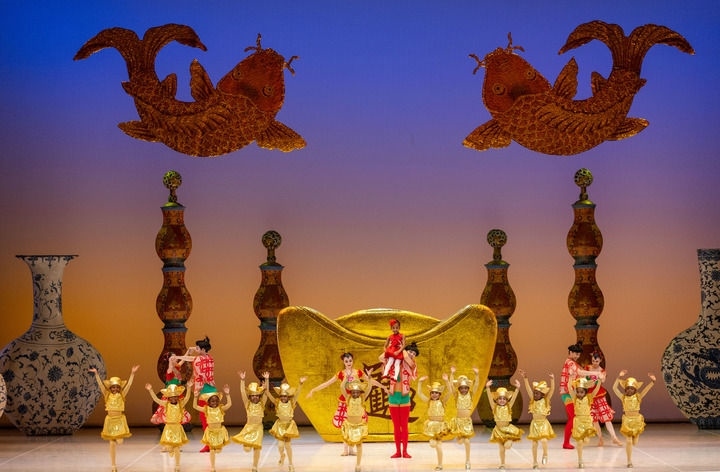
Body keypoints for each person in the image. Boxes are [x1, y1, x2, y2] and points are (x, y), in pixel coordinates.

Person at [306, 352, 366, 456]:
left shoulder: (358, 372)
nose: (349, 363)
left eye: (350, 361)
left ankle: (351, 449)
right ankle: (345, 449)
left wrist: (383, 387)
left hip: (355, 401)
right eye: (346, 361)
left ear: (353, 361)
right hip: (345, 401)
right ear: (343, 362)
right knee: (344, 424)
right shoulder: (341, 374)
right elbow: (327, 383)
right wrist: (313, 390)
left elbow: (370, 381)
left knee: (354, 424)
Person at [89, 365, 139, 472]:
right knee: (112, 443)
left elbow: (129, 385)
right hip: (110, 420)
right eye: (113, 387)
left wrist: (132, 374)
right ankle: (113, 465)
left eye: (117, 387)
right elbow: (100, 385)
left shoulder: (122, 395)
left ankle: (118, 438)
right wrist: (96, 374)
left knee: (119, 441)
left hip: (119, 419)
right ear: (110, 388)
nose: (115, 389)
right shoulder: (107, 395)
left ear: (119, 388)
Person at [145, 380, 193, 472]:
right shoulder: (166, 404)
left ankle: (177, 465)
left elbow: (187, 398)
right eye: (171, 396)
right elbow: (156, 399)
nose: (173, 398)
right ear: (168, 397)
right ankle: (171, 450)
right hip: (168, 428)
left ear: (178, 396)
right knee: (170, 447)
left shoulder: (181, 404)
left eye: (175, 396)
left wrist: (189, 387)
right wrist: (150, 390)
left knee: (177, 447)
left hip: (177, 428)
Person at [383, 341, 419, 459]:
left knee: (404, 425)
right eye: (410, 352)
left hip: (404, 397)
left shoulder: (412, 364)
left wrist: (402, 349)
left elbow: (407, 359)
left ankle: (405, 451)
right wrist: (392, 349)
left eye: (414, 353)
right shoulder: (394, 362)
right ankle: (398, 451)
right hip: (393, 396)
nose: (412, 354)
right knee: (396, 426)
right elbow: (381, 357)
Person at [613, 370, 656, 468]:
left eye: (632, 389)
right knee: (628, 441)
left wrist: (652, 382)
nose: (629, 390)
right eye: (628, 388)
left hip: (636, 420)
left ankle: (636, 436)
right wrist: (619, 377)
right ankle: (629, 461)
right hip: (627, 421)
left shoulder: (638, 397)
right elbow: (614, 388)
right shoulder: (623, 397)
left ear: (635, 389)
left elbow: (646, 390)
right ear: (625, 389)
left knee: (634, 443)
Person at [267, 377, 307, 472]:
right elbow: (268, 394)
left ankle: (290, 463)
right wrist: (267, 380)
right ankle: (282, 455)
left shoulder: (291, 402)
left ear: (288, 396)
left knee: (288, 446)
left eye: (285, 396)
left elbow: (297, 394)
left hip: (289, 425)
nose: (283, 398)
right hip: (280, 425)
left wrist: (300, 384)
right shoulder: (277, 402)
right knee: (280, 446)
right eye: (282, 396)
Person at [232, 371, 269, 472]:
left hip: (258, 428)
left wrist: (266, 380)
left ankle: (255, 466)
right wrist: (242, 380)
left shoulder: (262, 403)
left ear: (259, 396)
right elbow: (242, 392)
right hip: (248, 427)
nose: (255, 397)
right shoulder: (247, 404)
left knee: (257, 447)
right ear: (249, 397)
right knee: (247, 449)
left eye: (257, 395)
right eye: (252, 395)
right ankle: (247, 444)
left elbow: (266, 393)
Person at [519, 369, 555, 469]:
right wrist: (525, 378)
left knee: (544, 440)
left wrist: (552, 380)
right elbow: (528, 389)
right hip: (534, 424)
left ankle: (545, 454)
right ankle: (535, 462)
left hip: (543, 423)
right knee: (534, 444)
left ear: (542, 394)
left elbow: (552, 390)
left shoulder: (546, 400)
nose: (535, 395)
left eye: (537, 393)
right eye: (534, 393)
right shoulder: (533, 400)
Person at [585, 351, 622, 446]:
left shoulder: (602, 371)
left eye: (596, 361)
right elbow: (583, 379)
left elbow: (603, 380)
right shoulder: (587, 368)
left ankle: (614, 437)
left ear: (600, 360)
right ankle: (600, 438)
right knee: (594, 419)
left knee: (606, 418)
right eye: (593, 361)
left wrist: (601, 378)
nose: (594, 363)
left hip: (599, 395)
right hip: (590, 395)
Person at [192, 383, 232, 472]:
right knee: (212, 450)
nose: (215, 403)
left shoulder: (220, 408)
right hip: (210, 432)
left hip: (219, 431)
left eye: (216, 401)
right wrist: (195, 397)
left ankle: (216, 451)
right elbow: (195, 406)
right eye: (212, 401)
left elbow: (229, 404)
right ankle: (212, 467)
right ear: (208, 402)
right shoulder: (206, 409)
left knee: (217, 450)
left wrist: (227, 394)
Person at [448, 366, 481, 470]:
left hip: (466, 422)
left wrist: (477, 374)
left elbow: (476, 385)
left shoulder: (471, 394)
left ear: (468, 388)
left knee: (467, 441)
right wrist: (452, 374)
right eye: (461, 388)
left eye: (466, 388)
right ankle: (459, 438)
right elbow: (451, 386)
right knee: (460, 441)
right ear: (459, 389)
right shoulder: (456, 395)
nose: (464, 390)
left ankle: (467, 461)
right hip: (458, 421)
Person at [417, 375, 453, 471]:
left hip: (440, 426)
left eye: (436, 393)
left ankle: (440, 465)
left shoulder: (442, 401)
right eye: (432, 392)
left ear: (440, 394)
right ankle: (439, 462)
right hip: (431, 426)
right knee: (433, 444)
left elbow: (450, 392)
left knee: (438, 445)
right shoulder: (428, 401)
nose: (434, 394)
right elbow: (419, 393)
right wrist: (420, 382)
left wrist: (447, 381)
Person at [486, 379, 524, 470]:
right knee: (501, 449)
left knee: (507, 446)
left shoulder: (508, 406)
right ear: (496, 400)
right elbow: (490, 398)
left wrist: (517, 389)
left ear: (507, 400)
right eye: (500, 398)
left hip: (507, 430)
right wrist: (487, 388)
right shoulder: (494, 407)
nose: (502, 400)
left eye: (504, 399)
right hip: (498, 431)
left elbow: (513, 398)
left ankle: (510, 440)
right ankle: (502, 463)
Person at [339, 378, 372, 472]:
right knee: (349, 442)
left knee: (359, 444)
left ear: (360, 392)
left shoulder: (362, 398)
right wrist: (346, 378)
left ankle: (358, 464)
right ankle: (347, 451)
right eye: (353, 392)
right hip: (349, 425)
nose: (355, 394)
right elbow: (342, 387)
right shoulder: (348, 398)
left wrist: (369, 379)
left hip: (359, 426)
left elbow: (369, 388)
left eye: (357, 392)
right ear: (351, 392)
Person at [150, 354, 192, 430]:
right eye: (174, 358)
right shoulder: (169, 371)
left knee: (180, 410)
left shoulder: (177, 367)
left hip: (177, 394)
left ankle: (178, 424)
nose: (177, 359)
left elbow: (183, 360)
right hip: (169, 395)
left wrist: (188, 353)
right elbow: (171, 367)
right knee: (166, 411)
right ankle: (168, 425)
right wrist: (170, 361)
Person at [190, 336, 216, 453]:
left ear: (203, 349)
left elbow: (199, 372)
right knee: (212, 418)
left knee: (204, 418)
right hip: (212, 388)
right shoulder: (210, 358)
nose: (196, 349)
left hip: (203, 390)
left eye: (197, 348)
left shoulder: (198, 360)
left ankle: (208, 444)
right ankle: (214, 442)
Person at [570, 376, 601, 469]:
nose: (579, 394)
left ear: (585, 392)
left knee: (586, 441)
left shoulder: (589, 398)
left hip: (587, 421)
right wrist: (570, 379)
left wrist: (599, 381)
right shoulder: (574, 398)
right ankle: (580, 460)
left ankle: (580, 448)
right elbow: (569, 388)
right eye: (578, 392)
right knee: (579, 442)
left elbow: (596, 390)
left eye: (581, 392)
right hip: (578, 421)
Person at [560, 342, 584, 449]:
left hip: (569, 393)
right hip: (567, 393)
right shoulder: (570, 363)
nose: (577, 356)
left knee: (572, 418)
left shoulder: (572, 363)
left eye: (578, 354)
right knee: (574, 418)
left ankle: (566, 442)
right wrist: (596, 374)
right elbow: (579, 372)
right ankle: (566, 442)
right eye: (576, 354)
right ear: (570, 352)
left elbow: (581, 373)